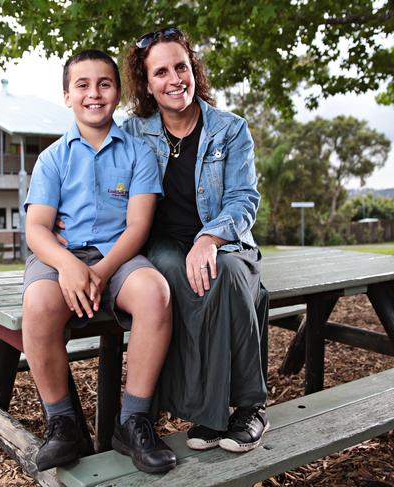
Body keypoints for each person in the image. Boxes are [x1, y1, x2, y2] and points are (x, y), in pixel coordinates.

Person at [22, 49, 176, 473]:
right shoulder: (52, 158)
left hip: (117, 255)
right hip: (60, 257)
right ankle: (63, 423)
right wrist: (70, 267)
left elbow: (138, 227)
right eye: (83, 85)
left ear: (119, 93)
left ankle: (133, 421)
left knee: (155, 292)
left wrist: (99, 272)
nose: (94, 93)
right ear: (67, 96)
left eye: (104, 84)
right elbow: (37, 229)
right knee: (38, 305)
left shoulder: (138, 153)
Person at [121, 27, 270, 453]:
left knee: (227, 275)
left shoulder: (230, 129)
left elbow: (244, 199)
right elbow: (103, 184)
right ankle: (209, 412)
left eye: (181, 67)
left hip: (225, 239)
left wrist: (210, 237)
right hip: (164, 241)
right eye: (161, 72)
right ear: (148, 85)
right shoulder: (133, 133)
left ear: (194, 70)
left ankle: (249, 407)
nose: (175, 79)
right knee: (170, 275)